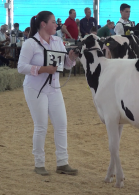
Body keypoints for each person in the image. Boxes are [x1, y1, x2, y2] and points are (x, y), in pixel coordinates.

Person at [17, 11, 79, 176]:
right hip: (35, 89)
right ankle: (39, 163)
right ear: (43, 24)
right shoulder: (30, 43)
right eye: (53, 22)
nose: (57, 25)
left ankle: (62, 163)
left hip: (54, 88)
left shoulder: (58, 41)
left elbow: (65, 64)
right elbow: (21, 67)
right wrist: (42, 69)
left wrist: (71, 58)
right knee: (41, 126)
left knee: (61, 124)